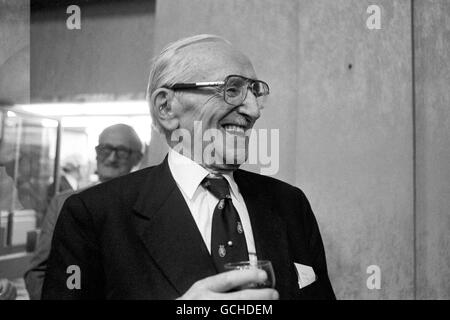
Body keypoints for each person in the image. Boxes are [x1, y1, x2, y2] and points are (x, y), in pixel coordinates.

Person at [42, 35, 335, 300]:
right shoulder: (93, 215)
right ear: (167, 108)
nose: (253, 110)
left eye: (255, 92)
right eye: (231, 89)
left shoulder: (290, 204)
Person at [24, 124, 143, 299]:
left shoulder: (149, 206)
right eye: (105, 149)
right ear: (96, 152)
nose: (111, 158)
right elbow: (39, 271)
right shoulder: (63, 202)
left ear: (137, 158)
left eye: (122, 152)